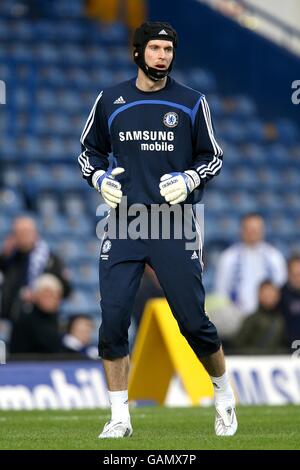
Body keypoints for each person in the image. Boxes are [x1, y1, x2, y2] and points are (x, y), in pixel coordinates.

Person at [78, 21, 237, 438]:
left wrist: (189, 179)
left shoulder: (191, 101)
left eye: (168, 49)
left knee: (192, 321)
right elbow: (88, 153)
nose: (162, 56)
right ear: (138, 53)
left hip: (175, 223)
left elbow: (214, 157)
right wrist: (99, 180)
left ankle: (223, 396)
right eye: (155, 48)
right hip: (125, 222)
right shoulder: (110, 100)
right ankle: (119, 418)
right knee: (112, 320)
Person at [0, 216, 72, 323]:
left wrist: (39, 295)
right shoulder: (9, 259)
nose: (22, 236)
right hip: (14, 319)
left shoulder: (50, 260)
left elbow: (66, 290)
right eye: (18, 233)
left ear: (35, 234)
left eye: (26, 232)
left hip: (42, 320)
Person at [215, 213, 287, 316]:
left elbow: (280, 286)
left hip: (267, 315)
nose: (253, 232)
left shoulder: (274, 256)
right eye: (249, 228)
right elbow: (221, 291)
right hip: (236, 316)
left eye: (257, 229)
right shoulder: (228, 257)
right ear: (241, 230)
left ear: (263, 230)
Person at [10, 274, 63, 354]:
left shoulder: (59, 320)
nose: (51, 300)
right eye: (46, 295)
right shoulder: (24, 321)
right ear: (36, 296)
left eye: (54, 296)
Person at [231, 280, 286, 354]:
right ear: (259, 295)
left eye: (271, 294)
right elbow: (238, 344)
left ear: (277, 297)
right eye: (266, 294)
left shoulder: (280, 320)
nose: (269, 297)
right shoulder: (252, 319)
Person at [279, 255, 300, 348]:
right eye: (294, 274)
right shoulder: (280, 295)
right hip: (286, 350)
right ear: (288, 274)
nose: (297, 278)